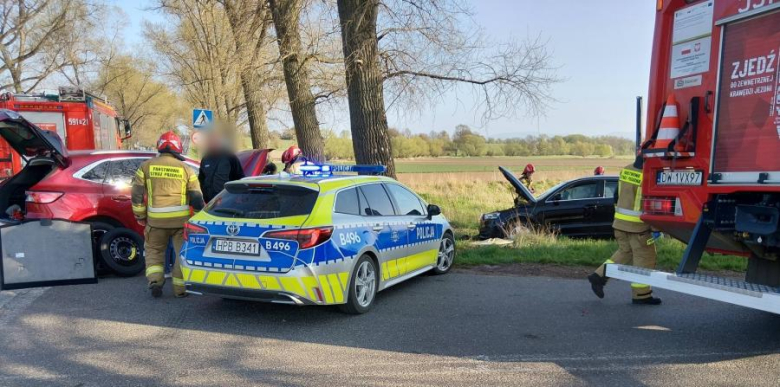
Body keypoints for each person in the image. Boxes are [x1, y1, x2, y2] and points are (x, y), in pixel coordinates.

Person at [132, 131, 205, 298]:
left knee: (154, 251)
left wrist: (140, 215)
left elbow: (136, 194)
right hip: (180, 223)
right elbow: (196, 196)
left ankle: (155, 281)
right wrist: (200, 218)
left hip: (156, 222)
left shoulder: (146, 166)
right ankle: (180, 289)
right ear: (178, 148)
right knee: (181, 254)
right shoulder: (186, 169)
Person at [587, 155, 662, 305]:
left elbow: (616, 196)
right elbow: (651, 203)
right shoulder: (650, 175)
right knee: (645, 258)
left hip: (620, 224)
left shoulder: (626, 170)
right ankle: (641, 295)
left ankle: (598, 276)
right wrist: (656, 227)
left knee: (624, 252)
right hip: (638, 227)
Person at [198, 133, 244, 203]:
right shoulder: (205, 159)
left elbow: (240, 177)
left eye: (215, 142)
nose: (213, 145)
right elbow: (201, 179)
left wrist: (239, 196)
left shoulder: (230, 157)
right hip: (209, 202)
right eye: (210, 143)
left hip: (227, 200)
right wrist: (204, 195)